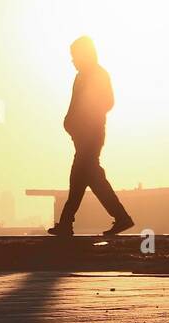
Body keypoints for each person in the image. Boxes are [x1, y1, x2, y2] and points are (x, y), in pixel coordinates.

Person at [48, 36, 135, 237]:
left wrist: (88, 116)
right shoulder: (80, 77)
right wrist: (70, 123)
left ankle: (67, 223)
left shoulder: (99, 75)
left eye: (75, 56)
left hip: (92, 135)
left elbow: (108, 102)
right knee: (88, 178)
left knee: (81, 176)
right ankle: (118, 218)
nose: (73, 61)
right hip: (80, 135)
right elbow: (73, 105)